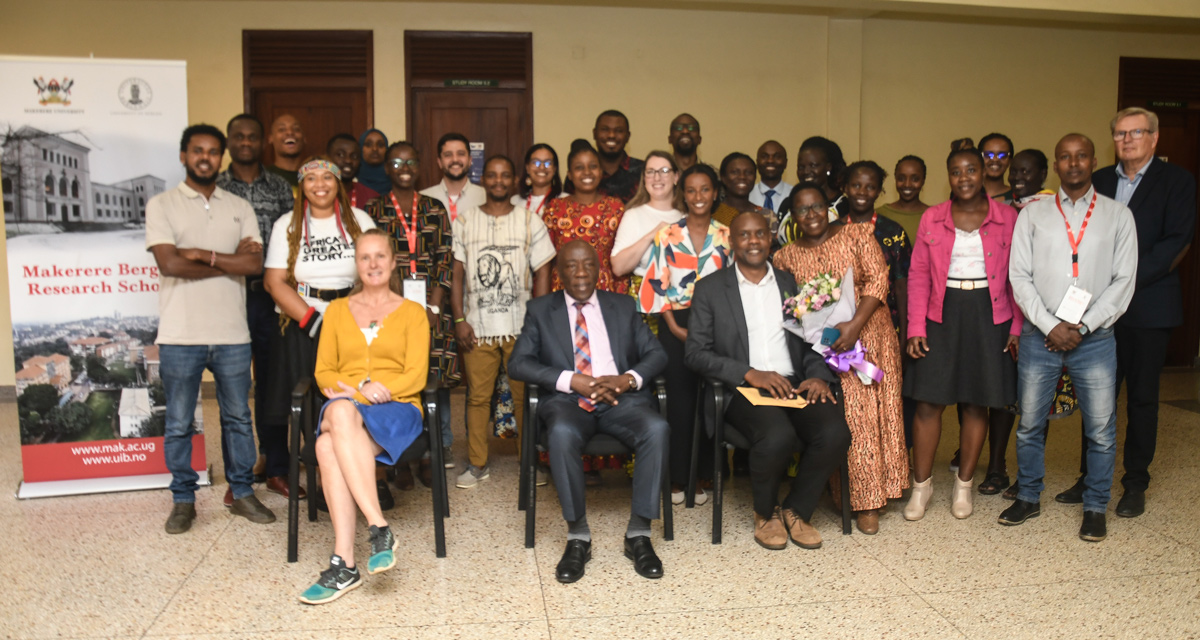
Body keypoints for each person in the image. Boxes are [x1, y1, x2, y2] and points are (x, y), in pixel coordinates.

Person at [1057, 108, 1196, 518]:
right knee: (1094, 397)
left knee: (1141, 399)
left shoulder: (1178, 182)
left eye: (1136, 132)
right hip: (1095, 310)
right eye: (1119, 133)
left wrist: (1122, 280)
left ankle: (1135, 482)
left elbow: (1176, 242)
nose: (1127, 139)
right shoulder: (1097, 182)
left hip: (1148, 308)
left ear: (1154, 138)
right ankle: (1089, 478)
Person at [686, 211, 851, 550]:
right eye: (744, 235)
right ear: (732, 242)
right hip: (741, 389)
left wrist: (819, 376)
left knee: (834, 432)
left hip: (793, 384)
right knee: (777, 435)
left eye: (759, 234)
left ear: (770, 238)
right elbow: (696, 353)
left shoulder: (789, 284)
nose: (753, 241)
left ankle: (795, 509)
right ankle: (765, 513)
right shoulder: (710, 289)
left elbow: (809, 342)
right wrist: (749, 373)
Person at [1001, 133, 1138, 543]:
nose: (1074, 163)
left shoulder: (1117, 216)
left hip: (1094, 339)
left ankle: (1095, 506)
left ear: (1094, 162)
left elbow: (1123, 280)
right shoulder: (1033, 214)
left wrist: (1083, 326)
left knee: (1100, 429)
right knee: (1029, 425)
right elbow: (1018, 277)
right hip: (1039, 335)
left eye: (1081, 157)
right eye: (1065, 157)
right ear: (1056, 165)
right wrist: (1049, 325)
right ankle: (1027, 496)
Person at [508, 240, 670, 582]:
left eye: (588, 266)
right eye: (571, 266)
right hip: (568, 402)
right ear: (558, 273)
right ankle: (578, 536)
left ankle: (638, 534)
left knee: (656, 429)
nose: (580, 274)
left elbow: (656, 355)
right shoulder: (540, 310)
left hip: (620, 400)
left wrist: (627, 380)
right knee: (562, 433)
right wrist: (572, 380)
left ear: (599, 271)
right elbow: (518, 363)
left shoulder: (622, 306)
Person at [147, 124, 273, 534]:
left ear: (222, 158)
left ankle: (242, 493)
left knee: (238, 417)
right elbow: (170, 264)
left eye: (213, 151)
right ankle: (183, 500)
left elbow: (253, 266)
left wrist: (199, 254)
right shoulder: (162, 205)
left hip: (232, 333)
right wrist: (226, 260)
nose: (206, 157)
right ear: (184, 156)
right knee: (180, 422)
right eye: (197, 150)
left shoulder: (239, 206)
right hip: (180, 335)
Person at [298, 229, 429, 604]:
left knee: (326, 447)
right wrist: (361, 390)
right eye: (365, 257)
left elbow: (415, 376)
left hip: (398, 408)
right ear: (357, 265)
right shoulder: (337, 311)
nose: (373, 264)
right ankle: (378, 525)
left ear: (392, 262)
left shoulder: (412, 314)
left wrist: (374, 389)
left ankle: (344, 564)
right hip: (349, 406)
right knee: (340, 411)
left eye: (380, 257)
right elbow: (324, 373)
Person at [773, 184, 906, 534]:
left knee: (881, 415)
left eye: (818, 206)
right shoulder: (785, 257)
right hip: (826, 348)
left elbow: (878, 279)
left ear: (829, 207)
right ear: (794, 216)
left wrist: (853, 326)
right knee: (852, 418)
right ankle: (856, 496)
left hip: (870, 335)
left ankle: (876, 497)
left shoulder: (857, 235)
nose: (812, 214)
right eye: (803, 210)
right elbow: (791, 308)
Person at [902, 148, 1021, 522]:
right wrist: (916, 326)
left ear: (984, 171)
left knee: (975, 402)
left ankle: (963, 486)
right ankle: (921, 487)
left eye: (971, 169)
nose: (965, 177)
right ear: (948, 176)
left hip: (991, 313)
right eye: (956, 172)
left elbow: (1019, 276)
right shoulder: (932, 218)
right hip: (941, 312)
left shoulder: (1008, 218)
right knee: (927, 402)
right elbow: (919, 274)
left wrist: (1016, 327)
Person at [262, 155, 377, 504]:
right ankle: (322, 484)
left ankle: (367, 475)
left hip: (353, 320)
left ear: (338, 183)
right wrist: (315, 322)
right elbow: (274, 281)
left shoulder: (359, 220)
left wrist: (354, 318)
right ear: (302, 187)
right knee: (312, 403)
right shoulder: (288, 224)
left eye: (326, 177)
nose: (319, 185)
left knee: (356, 396)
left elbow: (375, 272)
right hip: (303, 323)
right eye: (310, 180)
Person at [452, 155, 555, 488]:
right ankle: (477, 464)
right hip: (477, 328)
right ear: (484, 180)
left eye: (505, 175)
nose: (498, 181)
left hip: (521, 326)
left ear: (515, 181)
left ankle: (529, 463)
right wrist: (459, 319)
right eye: (492, 175)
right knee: (477, 398)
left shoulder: (530, 222)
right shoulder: (465, 221)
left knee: (525, 397)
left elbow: (543, 271)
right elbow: (456, 276)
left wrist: (536, 321)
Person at [638, 163, 732, 506]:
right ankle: (676, 477)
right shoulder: (666, 234)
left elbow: (734, 286)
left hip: (716, 325)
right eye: (691, 190)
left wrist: (708, 333)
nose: (698, 196)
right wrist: (676, 327)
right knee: (678, 401)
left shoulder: (727, 235)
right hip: (673, 322)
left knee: (710, 399)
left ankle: (704, 474)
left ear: (715, 192)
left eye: (704, 189)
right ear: (683, 194)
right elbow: (656, 283)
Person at [368, 141, 458, 487]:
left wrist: (434, 305)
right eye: (396, 161)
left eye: (410, 160)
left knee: (432, 381)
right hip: (390, 310)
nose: (403, 166)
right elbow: (373, 262)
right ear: (387, 167)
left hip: (433, 310)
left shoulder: (434, 208)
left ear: (419, 166)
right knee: (396, 380)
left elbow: (444, 258)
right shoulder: (374, 209)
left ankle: (429, 455)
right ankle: (397, 462)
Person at [216, 113, 296, 501]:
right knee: (232, 387)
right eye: (238, 136)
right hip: (226, 295)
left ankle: (276, 466)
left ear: (261, 142)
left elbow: (292, 238)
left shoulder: (280, 187)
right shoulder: (215, 188)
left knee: (271, 384)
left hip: (269, 299)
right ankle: (238, 477)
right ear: (229, 142)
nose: (245, 142)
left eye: (252, 136)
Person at [988, 148, 1073, 500]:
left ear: (1043, 174)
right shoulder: (1005, 211)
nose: (1018, 177)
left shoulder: (1053, 211)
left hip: (1044, 321)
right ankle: (996, 466)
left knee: (1036, 404)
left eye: (1027, 171)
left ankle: (1027, 477)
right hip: (1006, 315)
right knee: (1003, 399)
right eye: (1015, 172)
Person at [544, 140, 628, 294]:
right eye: (579, 168)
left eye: (593, 166)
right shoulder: (555, 208)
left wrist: (621, 297)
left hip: (605, 290)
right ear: (569, 174)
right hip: (563, 289)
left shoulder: (615, 208)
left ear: (601, 171)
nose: (587, 172)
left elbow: (622, 257)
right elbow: (545, 260)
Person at [840, 160, 911, 337]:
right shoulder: (832, 231)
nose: (862, 192)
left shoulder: (894, 232)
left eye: (870, 187)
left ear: (879, 191)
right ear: (846, 188)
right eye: (856, 185)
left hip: (885, 330)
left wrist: (903, 338)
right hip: (841, 328)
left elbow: (902, 289)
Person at [611, 151, 683, 287]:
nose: (657, 178)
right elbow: (618, 268)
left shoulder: (686, 217)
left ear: (676, 177)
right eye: (650, 172)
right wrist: (652, 235)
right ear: (644, 179)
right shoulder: (633, 215)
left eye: (664, 171)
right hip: (645, 301)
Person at [777, 137, 848, 244]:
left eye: (813, 165)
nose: (806, 171)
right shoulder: (787, 204)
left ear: (828, 167)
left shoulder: (844, 206)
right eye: (801, 167)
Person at [420, 132, 487, 223]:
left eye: (461, 154)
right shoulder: (424, 199)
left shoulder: (484, 196)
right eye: (448, 155)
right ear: (439, 162)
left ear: (470, 160)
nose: (455, 159)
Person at [591, 110, 645, 203]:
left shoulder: (644, 171)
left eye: (619, 131)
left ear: (628, 136)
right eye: (605, 129)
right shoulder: (582, 172)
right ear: (594, 133)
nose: (611, 135)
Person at [877, 155, 929, 242]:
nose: (907, 184)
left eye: (915, 179)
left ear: (923, 181)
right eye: (901, 178)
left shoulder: (936, 216)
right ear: (895, 179)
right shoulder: (879, 214)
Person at [713, 152, 770, 231]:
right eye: (735, 172)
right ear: (723, 178)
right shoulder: (712, 214)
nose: (742, 177)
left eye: (748, 172)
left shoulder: (767, 216)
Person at [327, 133, 380, 209]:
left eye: (354, 156)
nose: (348, 160)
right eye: (340, 155)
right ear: (326, 158)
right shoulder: (314, 194)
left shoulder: (372, 199)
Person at [513, 143, 562, 216]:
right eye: (536, 162)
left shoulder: (565, 200)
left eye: (548, 163)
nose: (542, 167)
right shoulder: (514, 201)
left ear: (554, 169)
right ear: (527, 168)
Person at [749, 140, 792, 216]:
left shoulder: (794, 194)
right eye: (764, 157)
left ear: (786, 163)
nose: (770, 160)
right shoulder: (747, 195)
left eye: (777, 157)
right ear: (757, 162)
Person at [266, 114, 305, 188]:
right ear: (270, 138)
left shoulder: (315, 174)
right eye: (282, 129)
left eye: (296, 129)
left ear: (304, 138)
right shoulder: (263, 177)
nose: (290, 132)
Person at [979, 133, 1015, 202]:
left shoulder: (1017, 197)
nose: (995, 159)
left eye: (1002, 155)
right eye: (988, 155)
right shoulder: (968, 195)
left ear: (1010, 160)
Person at [356, 128, 391, 196]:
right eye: (368, 145)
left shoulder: (398, 183)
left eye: (380, 145)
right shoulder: (350, 184)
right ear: (360, 149)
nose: (375, 149)